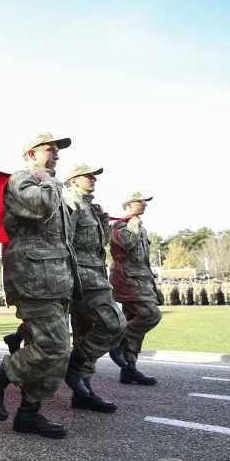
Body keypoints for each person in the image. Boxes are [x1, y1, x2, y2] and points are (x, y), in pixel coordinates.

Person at [0, 132, 78, 439]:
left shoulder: (49, 185)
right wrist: (50, 180)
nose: (57, 155)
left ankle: (29, 414)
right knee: (54, 346)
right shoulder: (23, 181)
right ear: (31, 154)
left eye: (58, 150)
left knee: (57, 353)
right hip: (35, 279)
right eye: (50, 149)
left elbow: (64, 240)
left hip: (57, 281)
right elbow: (43, 206)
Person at [61, 163, 125, 413]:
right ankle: (73, 366)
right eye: (89, 176)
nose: (93, 179)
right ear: (74, 180)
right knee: (113, 324)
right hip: (83, 277)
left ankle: (82, 391)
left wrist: (102, 218)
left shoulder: (89, 207)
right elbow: (63, 241)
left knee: (86, 330)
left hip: (95, 273)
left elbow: (102, 243)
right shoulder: (70, 203)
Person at [108, 191, 162, 385]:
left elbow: (144, 261)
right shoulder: (120, 225)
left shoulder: (140, 227)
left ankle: (129, 368)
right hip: (127, 279)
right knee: (150, 315)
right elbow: (127, 242)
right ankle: (117, 342)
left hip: (141, 278)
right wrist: (133, 222)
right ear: (129, 205)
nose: (145, 205)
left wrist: (153, 286)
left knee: (135, 323)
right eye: (142, 202)